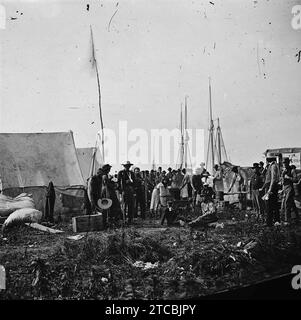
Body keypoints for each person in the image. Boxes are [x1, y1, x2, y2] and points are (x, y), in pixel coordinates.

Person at [260, 157, 280, 227]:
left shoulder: (273, 166)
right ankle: (275, 221)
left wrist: (270, 189)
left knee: (270, 205)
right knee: (273, 204)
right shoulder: (270, 166)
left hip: (272, 187)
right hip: (270, 186)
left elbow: (273, 178)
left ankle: (269, 223)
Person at [281, 158, 299, 224]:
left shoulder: (292, 170)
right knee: (292, 204)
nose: (284, 164)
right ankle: (297, 217)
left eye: (285, 162)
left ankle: (287, 220)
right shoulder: (284, 170)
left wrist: (289, 177)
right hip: (285, 188)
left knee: (287, 203)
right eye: (283, 163)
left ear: (288, 163)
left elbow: (296, 179)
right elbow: (282, 181)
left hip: (290, 188)